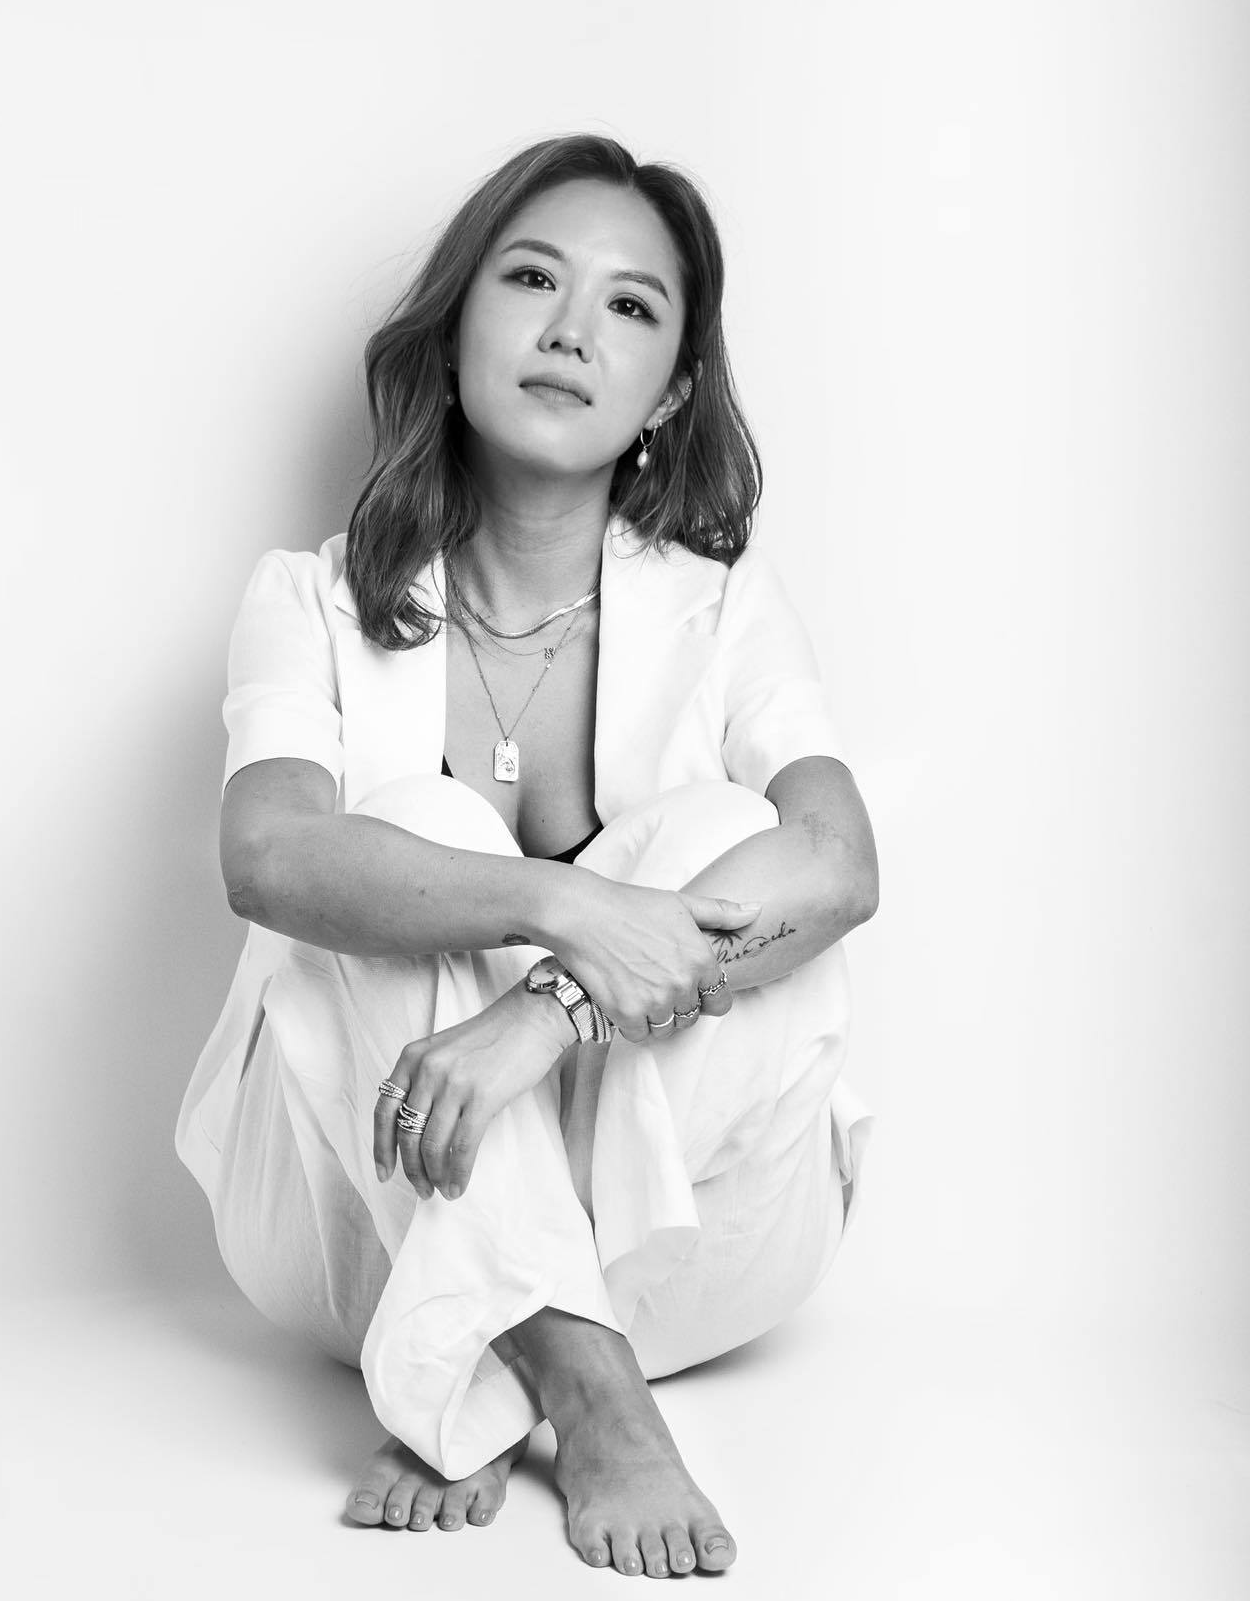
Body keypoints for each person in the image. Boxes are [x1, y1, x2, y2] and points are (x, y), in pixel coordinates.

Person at [176, 134, 879, 1578]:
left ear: (668, 390)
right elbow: (268, 858)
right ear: (452, 335)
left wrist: (545, 1009)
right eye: (532, 279)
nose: (571, 330)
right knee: (404, 833)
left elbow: (838, 864)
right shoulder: (309, 600)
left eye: (630, 305)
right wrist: (568, 906)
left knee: (729, 835)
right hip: (357, 1225)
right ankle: (587, 1386)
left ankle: (480, 1365)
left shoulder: (727, 611)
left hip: (692, 1244)